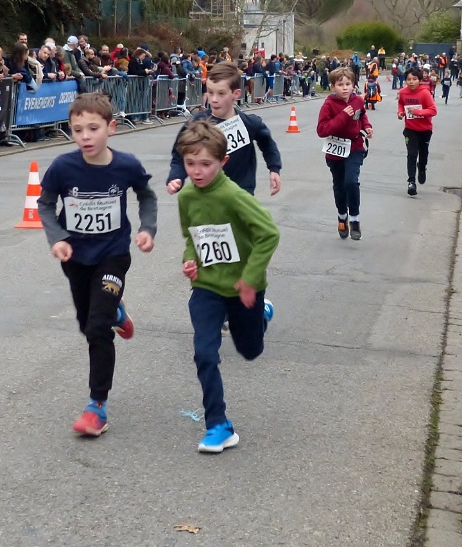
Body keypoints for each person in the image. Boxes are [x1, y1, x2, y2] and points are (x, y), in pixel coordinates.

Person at [36, 92, 157, 437]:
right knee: (86, 322)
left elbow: (146, 195)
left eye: (93, 128)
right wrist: (57, 238)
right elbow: (45, 204)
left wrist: (147, 229)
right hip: (76, 258)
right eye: (77, 130)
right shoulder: (63, 167)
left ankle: (97, 406)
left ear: (111, 128)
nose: (85, 136)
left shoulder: (126, 165)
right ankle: (117, 312)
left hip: (113, 255)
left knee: (96, 329)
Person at [176, 120, 279, 452]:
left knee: (250, 350)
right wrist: (190, 260)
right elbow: (191, 236)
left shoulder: (234, 196)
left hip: (243, 287)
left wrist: (250, 280)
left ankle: (261, 313)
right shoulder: (186, 196)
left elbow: (269, 234)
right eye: (190, 163)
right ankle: (218, 424)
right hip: (206, 287)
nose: (197, 171)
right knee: (204, 353)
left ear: (223, 162)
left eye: (206, 164)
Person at [166, 61, 282, 197]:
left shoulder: (249, 123)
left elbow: (267, 144)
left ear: (236, 94)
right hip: (207, 195)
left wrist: (274, 168)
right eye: (210, 92)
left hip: (241, 195)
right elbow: (179, 153)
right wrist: (176, 177)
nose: (214, 99)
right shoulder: (196, 123)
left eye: (221, 93)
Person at [317, 67, 373, 240]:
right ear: (333, 86)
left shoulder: (357, 101)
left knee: (351, 182)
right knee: (340, 185)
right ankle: (342, 216)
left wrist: (367, 127)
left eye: (348, 84)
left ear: (353, 84)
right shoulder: (329, 105)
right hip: (335, 150)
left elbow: (362, 115)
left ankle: (354, 219)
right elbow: (322, 130)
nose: (345, 88)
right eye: (340, 85)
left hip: (355, 146)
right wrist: (342, 116)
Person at [398, 67, 438, 197]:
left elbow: (433, 110)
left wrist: (418, 112)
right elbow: (401, 104)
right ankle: (411, 182)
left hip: (425, 129)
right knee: (411, 154)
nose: (411, 82)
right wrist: (400, 112)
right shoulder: (403, 92)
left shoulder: (425, 93)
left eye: (414, 79)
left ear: (420, 80)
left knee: (423, 154)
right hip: (410, 129)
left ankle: (422, 167)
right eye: (408, 79)